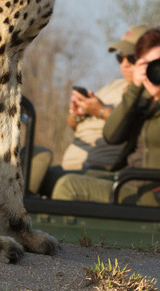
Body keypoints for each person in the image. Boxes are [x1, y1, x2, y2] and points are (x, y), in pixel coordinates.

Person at [51, 28, 160, 205]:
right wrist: (134, 90)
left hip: (154, 192)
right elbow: (112, 136)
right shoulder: (144, 93)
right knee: (52, 176)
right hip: (127, 178)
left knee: (67, 186)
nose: (157, 69)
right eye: (148, 63)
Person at [36, 24, 146, 194]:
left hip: (100, 168)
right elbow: (73, 125)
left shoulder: (146, 93)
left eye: (130, 58)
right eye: (120, 58)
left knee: (52, 181)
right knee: (30, 165)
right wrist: (78, 114)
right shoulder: (114, 85)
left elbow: (133, 129)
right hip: (71, 164)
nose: (124, 65)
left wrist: (100, 111)